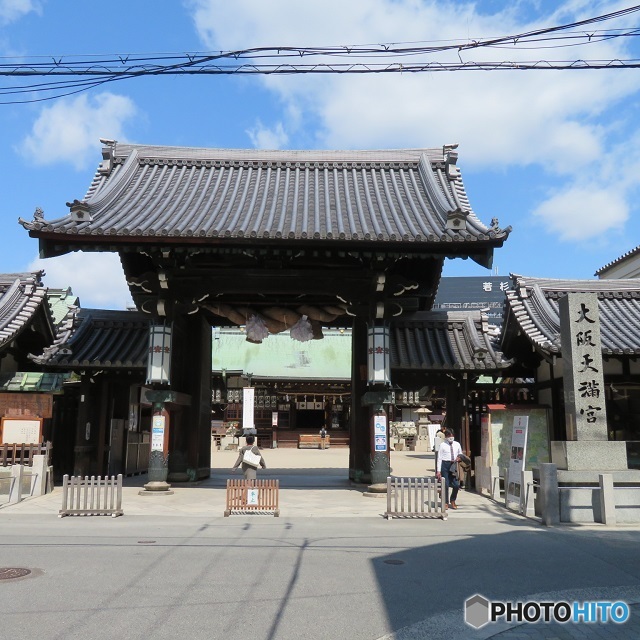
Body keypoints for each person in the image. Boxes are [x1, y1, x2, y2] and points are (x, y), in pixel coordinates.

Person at [436, 429, 463, 509]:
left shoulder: (457, 444)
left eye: (452, 436)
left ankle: (453, 500)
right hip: (445, 465)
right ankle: (445, 502)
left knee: (456, 485)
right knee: (446, 484)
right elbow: (439, 458)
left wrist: (459, 458)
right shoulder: (442, 445)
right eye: (449, 436)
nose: (451, 437)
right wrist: (438, 471)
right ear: (446, 436)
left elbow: (460, 454)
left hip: (453, 465)